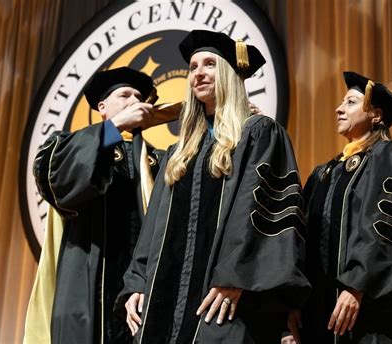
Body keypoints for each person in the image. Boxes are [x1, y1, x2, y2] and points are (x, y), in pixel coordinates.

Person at [115, 30, 311, 344]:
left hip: (227, 299)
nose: (198, 73)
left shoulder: (258, 134)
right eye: (193, 67)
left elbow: (261, 212)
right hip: (164, 307)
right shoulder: (180, 153)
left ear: (231, 75)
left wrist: (236, 275)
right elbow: (153, 228)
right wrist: (137, 282)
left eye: (209, 64)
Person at [26, 67, 163, 344]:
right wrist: (115, 127)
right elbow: (57, 177)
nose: (134, 101)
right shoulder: (69, 145)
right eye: (125, 95)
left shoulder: (158, 161)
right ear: (102, 107)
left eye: (139, 96)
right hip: (88, 290)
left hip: (144, 293)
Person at [301, 71, 392, 343]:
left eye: (350, 102)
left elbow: (387, 229)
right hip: (320, 314)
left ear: (376, 115)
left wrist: (356, 286)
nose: (339, 109)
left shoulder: (389, 157)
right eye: (341, 103)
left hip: (369, 312)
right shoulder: (324, 173)